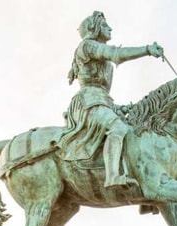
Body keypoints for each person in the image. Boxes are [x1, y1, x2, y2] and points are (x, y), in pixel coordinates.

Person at [59, 11, 164, 188]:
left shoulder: (97, 54)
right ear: (95, 28)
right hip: (87, 103)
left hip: (100, 101)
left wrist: (116, 108)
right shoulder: (88, 46)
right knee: (118, 127)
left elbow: (102, 93)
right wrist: (147, 50)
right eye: (106, 26)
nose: (110, 28)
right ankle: (113, 176)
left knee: (133, 130)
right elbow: (116, 54)